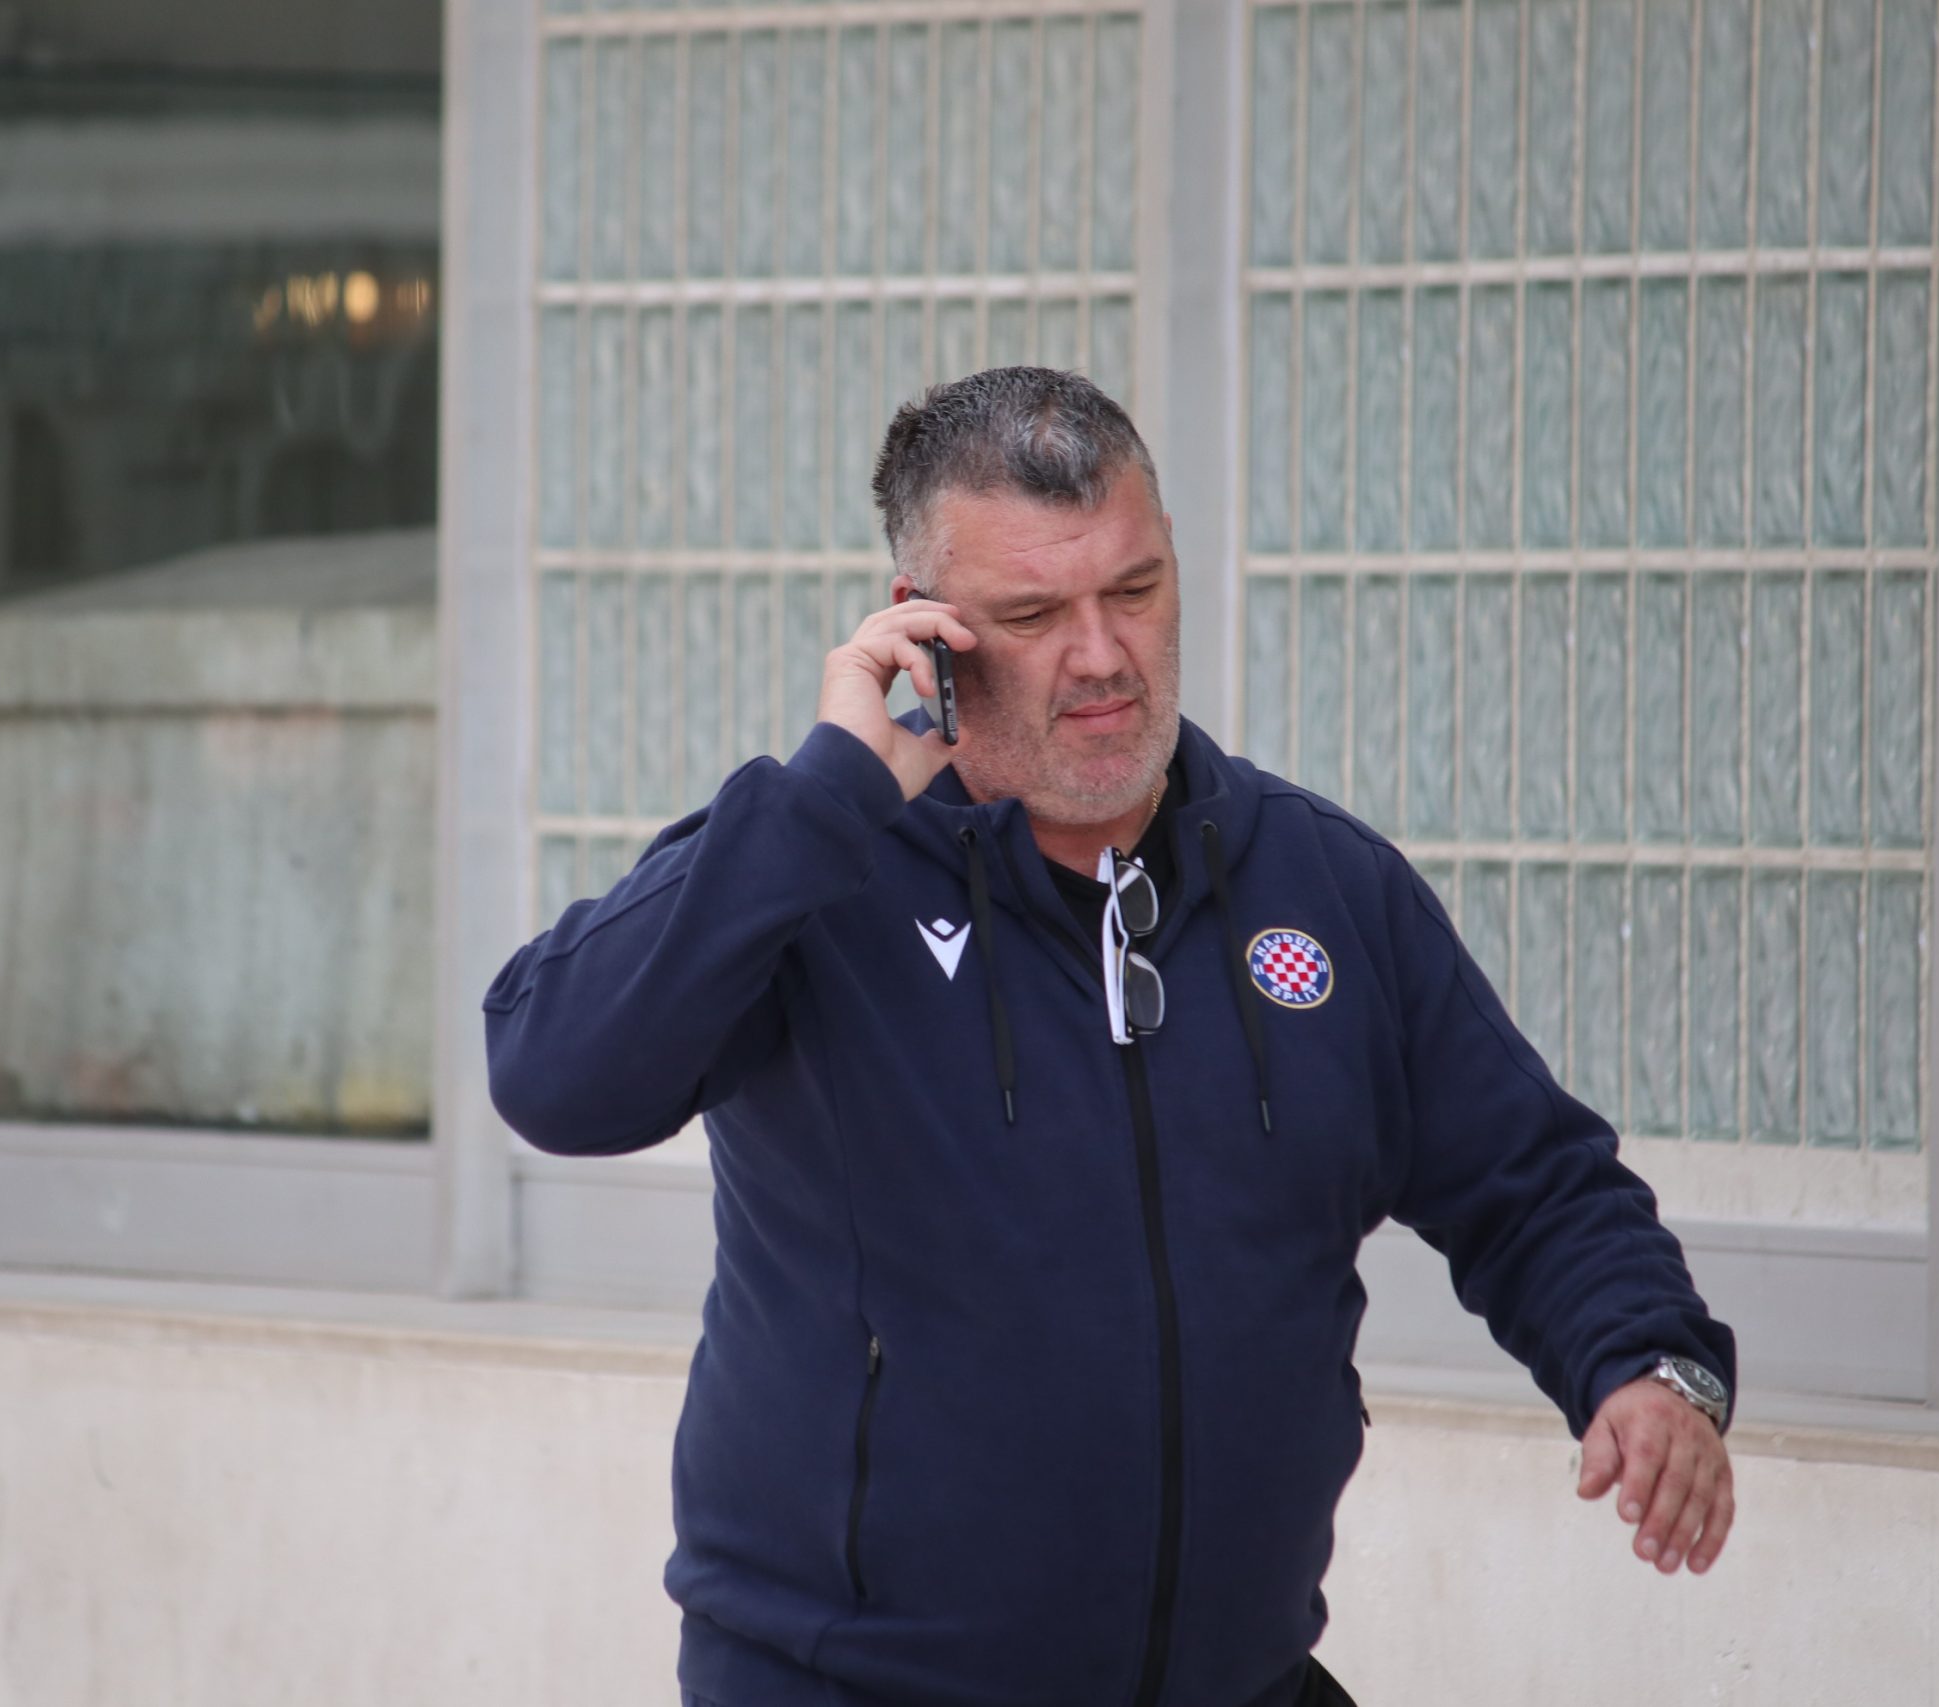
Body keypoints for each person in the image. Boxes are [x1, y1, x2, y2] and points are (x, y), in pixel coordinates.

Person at [483, 367, 1738, 1707]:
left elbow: (1536, 1188)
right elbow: (554, 1073)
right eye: (1034, 614)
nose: (1101, 655)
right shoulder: (811, 878)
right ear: (925, 630)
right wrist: (825, 795)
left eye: (1133, 590)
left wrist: (1646, 1364)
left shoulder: (1322, 886)